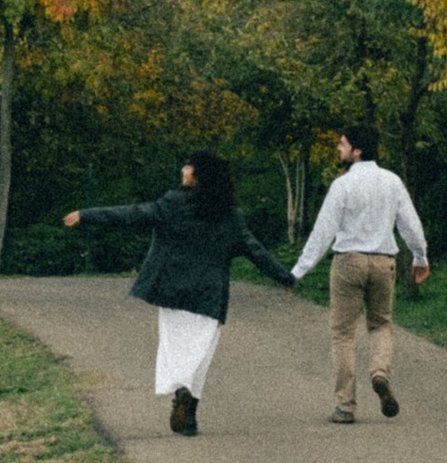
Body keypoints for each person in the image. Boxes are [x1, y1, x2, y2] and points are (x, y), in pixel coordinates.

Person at [64, 152, 291, 435]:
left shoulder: (174, 204)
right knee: (200, 353)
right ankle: (190, 414)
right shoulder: (230, 215)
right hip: (209, 296)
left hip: (173, 292)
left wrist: (87, 215)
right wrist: (285, 277)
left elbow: (133, 214)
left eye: (188, 166)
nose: (184, 169)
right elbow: (254, 250)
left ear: (198, 175)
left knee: (175, 348)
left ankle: (181, 392)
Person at [291, 128, 429, 425]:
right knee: (380, 324)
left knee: (344, 334)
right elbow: (410, 224)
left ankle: (345, 406)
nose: (338, 149)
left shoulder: (342, 185)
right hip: (383, 263)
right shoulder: (392, 182)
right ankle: (379, 373)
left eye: (342, 145)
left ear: (357, 151)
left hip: (348, 262)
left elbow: (323, 232)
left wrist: (298, 271)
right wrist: (420, 256)